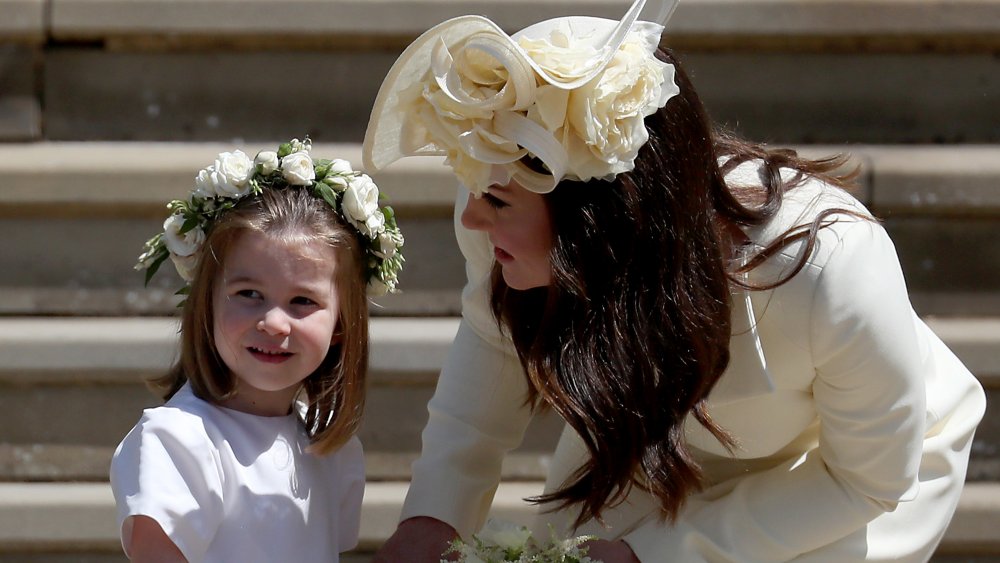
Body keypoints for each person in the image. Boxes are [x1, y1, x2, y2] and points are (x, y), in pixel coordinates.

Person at [361, 0, 987, 561]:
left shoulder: (832, 267)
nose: (471, 217)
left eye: (495, 201)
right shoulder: (496, 204)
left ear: (599, 218)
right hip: (654, 435)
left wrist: (653, 553)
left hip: (842, 474)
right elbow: (492, 347)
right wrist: (434, 516)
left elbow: (867, 480)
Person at [110, 139, 404, 562]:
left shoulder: (327, 447)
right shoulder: (179, 442)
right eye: (249, 293)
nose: (273, 322)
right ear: (206, 303)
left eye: (303, 301)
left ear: (342, 325)